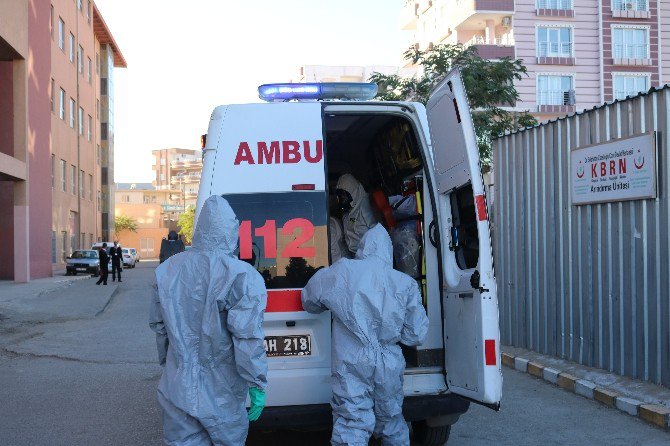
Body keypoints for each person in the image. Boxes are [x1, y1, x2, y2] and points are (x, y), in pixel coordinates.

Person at [149, 195, 268, 445]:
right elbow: (247, 337)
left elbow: (160, 328)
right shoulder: (241, 276)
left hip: (177, 385)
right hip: (222, 389)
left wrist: (169, 363)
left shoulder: (167, 270)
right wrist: (256, 382)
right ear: (231, 230)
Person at [301, 224, 428, 446]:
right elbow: (415, 335)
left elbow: (309, 300)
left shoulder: (343, 271)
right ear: (388, 251)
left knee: (352, 421)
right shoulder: (405, 283)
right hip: (388, 361)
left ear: (362, 247)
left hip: (351, 359)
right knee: (391, 419)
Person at [335, 174, 378, 254]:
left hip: (370, 256)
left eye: (343, 195)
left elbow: (378, 237)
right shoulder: (349, 211)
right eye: (339, 196)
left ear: (352, 192)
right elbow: (352, 225)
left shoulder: (367, 208)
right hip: (356, 257)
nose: (341, 199)